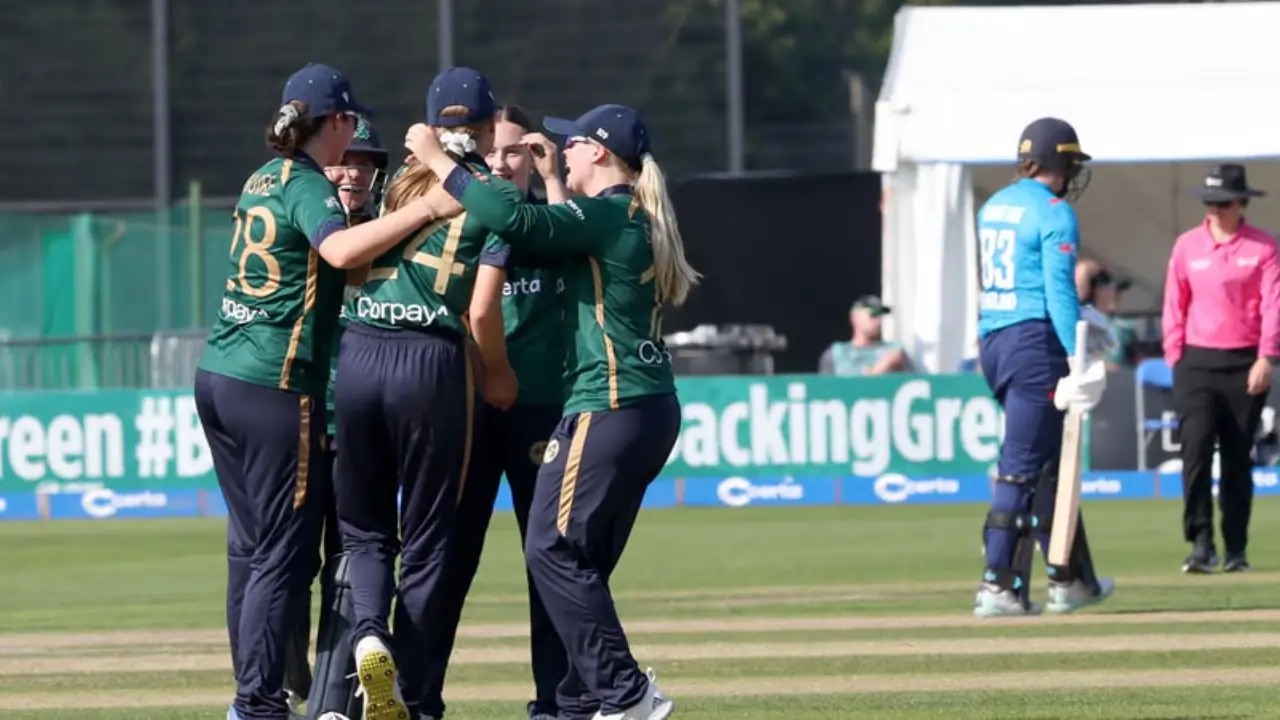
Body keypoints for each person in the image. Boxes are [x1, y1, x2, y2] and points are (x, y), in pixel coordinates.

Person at [407, 100, 699, 720]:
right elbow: (535, 234)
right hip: (643, 407)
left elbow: (519, 224)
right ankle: (577, 704)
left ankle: (623, 693)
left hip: (610, 403)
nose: (560, 148)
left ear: (599, 152)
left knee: (550, 548)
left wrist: (440, 162)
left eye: (573, 143)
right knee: (578, 560)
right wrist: (549, 185)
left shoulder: (606, 213)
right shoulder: (621, 214)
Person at [196, 62, 455, 720]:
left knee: (257, 553)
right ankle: (257, 705)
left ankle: (262, 697)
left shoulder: (264, 176)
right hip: (274, 385)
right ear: (335, 122)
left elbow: (353, 268)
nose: (353, 154)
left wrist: (418, 225)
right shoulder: (309, 184)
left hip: (221, 375)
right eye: (349, 129)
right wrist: (428, 205)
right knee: (282, 556)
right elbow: (342, 254)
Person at [331, 67, 518, 720]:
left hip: (359, 351)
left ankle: (367, 639)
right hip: (430, 363)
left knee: (365, 532)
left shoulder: (398, 186)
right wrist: (497, 371)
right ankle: (406, 691)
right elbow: (483, 310)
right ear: (489, 128)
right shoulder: (493, 196)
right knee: (431, 540)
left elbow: (352, 264)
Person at [418, 104, 571, 720]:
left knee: (552, 563)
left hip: (542, 414)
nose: (503, 163)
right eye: (494, 151)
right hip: (470, 408)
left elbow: (575, 239)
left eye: (517, 152)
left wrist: (556, 179)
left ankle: (559, 703)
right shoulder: (459, 217)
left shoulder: (550, 221)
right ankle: (416, 699)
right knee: (449, 557)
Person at [972, 117, 1114, 618]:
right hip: (1036, 340)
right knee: (1022, 467)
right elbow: (1057, 289)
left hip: (995, 336)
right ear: (1064, 163)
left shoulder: (994, 206)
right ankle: (998, 585)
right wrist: (1079, 350)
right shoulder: (1053, 212)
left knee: (1050, 465)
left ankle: (1070, 578)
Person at [281, 116, 392, 720]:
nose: (352, 171)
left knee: (354, 562)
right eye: (344, 159)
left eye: (365, 162)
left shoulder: (392, 239)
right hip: (295, 420)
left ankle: (332, 705)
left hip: (361, 427)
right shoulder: (293, 224)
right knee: (284, 565)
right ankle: (279, 685)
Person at [1163, 163, 1279, 574]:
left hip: (1245, 362)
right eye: (1209, 203)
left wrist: (1266, 356)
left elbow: (1272, 305)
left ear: (1241, 203)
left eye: (1223, 203)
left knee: (1236, 458)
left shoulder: (1263, 247)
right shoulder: (1187, 246)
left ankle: (1235, 547)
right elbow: (1174, 305)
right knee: (1194, 450)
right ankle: (1199, 542)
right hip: (1196, 360)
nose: (1214, 210)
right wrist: (1175, 355)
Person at [817, 295, 911, 375]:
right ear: (855, 318)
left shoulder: (894, 351)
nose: (878, 322)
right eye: (873, 315)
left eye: (880, 316)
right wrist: (879, 368)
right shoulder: (836, 354)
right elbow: (824, 391)